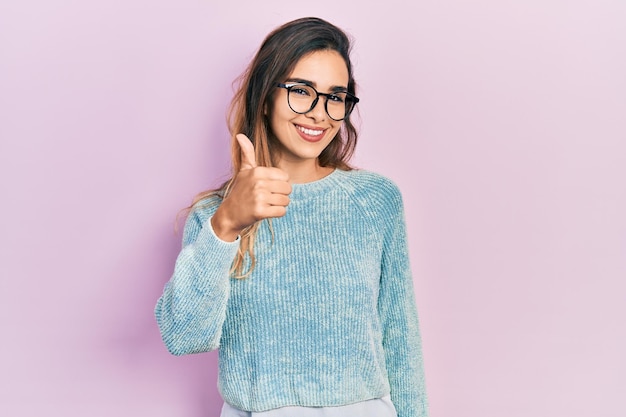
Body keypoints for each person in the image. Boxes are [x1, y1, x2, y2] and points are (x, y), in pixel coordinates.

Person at [155, 17, 428, 417]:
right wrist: (227, 226)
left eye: (336, 96)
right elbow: (183, 335)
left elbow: (401, 340)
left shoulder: (375, 201)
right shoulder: (215, 216)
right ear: (265, 97)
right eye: (301, 91)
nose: (320, 114)